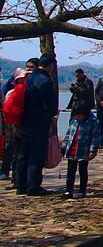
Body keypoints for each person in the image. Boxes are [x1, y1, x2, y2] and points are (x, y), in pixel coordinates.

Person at [16, 59, 59, 195]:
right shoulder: (43, 80)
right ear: (51, 65)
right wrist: (52, 116)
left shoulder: (29, 77)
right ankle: (33, 186)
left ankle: (20, 185)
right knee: (36, 155)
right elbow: (50, 104)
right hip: (38, 122)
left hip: (24, 121)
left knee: (23, 154)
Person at [61, 104, 101, 198]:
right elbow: (68, 134)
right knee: (70, 171)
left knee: (83, 171)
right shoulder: (74, 120)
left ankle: (82, 190)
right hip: (72, 149)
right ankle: (68, 190)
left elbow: (96, 137)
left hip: (84, 150)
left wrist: (93, 150)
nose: (77, 117)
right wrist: (63, 147)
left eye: (78, 115)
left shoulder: (93, 122)